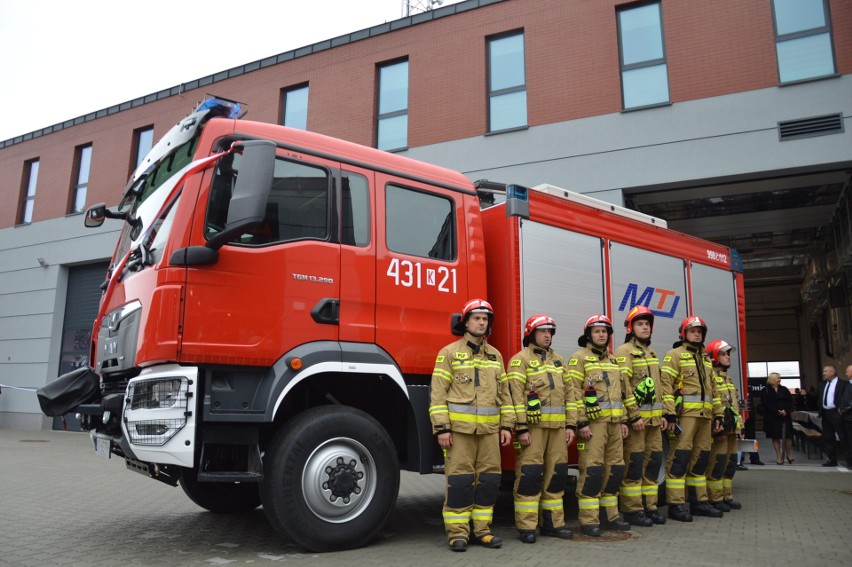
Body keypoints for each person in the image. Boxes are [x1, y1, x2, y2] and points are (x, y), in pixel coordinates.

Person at [429, 298, 514, 552]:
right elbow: (438, 394)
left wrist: (507, 426)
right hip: (459, 434)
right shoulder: (449, 353)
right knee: (460, 482)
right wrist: (442, 428)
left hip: (489, 433)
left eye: (485, 318)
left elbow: (505, 395)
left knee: (488, 481)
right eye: (476, 318)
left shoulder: (495, 355)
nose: (481, 322)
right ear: (465, 322)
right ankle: (458, 533)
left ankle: (483, 531)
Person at [507, 314, 576, 544]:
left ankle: (553, 524)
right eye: (542, 331)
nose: (547, 336)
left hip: (557, 430)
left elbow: (570, 395)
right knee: (530, 476)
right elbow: (516, 398)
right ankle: (527, 526)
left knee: (556, 476)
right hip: (533, 431)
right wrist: (521, 428)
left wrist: (570, 425)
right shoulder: (520, 360)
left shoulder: (559, 360)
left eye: (550, 332)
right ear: (531, 333)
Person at [567, 314, 630, 537]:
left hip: (614, 425)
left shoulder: (613, 361)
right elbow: (574, 393)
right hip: (593, 426)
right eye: (597, 331)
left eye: (604, 331)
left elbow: (621, 394)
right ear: (588, 335)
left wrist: (623, 420)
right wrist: (581, 422)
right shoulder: (579, 359)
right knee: (592, 471)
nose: (601, 334)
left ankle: (610, 517)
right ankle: (588, 520)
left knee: (614, 471)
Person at [661, 315, 724, 522]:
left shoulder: (705, 358)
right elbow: (666, 386)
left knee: (700, 460)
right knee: (679, 460)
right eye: (692, 331)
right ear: (684, 333)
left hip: (705, 417)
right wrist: (669, 413)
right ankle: (676, 505)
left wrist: (719, 414)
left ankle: (699, 502)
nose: (696, 334)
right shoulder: (674, 355)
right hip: (684, 417)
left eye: (699, 331)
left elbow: (713, 390)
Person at [615, 306, 666, 527]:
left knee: (653, 465)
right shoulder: (624, 352)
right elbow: (623, 386)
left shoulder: (651, 354)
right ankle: (632, 509)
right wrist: (632, 416)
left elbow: (659, 387)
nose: (645, 327)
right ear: (630, 327)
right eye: (640, 324)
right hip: (637, 422)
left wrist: (664, 414)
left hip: (655, 422)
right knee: (634, 467)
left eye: (647, 324)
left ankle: (650, 506)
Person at [705, 339, 743, 512]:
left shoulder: (727, 378)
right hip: (719, 430)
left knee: (730, 463)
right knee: (717, 463)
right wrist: (715, 425)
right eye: (723, 353)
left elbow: (734, 405)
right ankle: (715, 498)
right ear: (714, 356)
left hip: (731, 430)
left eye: (728, 353)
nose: (728, 357)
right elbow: (711, 403)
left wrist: (739, 427)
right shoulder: (710, 376)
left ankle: (727, 496)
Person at [762, 372, 794, 465]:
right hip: (773, 417)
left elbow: (790, 401)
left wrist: (786, 411)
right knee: (775, 436)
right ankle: (779, 456)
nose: (779, 379)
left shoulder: (784, 389)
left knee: (788, 436)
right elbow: (766, 403)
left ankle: (789, 454)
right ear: (772, 379)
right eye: (777, 378)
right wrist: (776, 411)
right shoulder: (766, 390)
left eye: (779, 378)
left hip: (785, 416)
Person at [817, 365, 844, 467]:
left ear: (832, 373)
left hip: (837, 413)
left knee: (843, 436)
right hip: (825, 413)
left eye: (826, 371)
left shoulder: (843, 384)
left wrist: (842, 409)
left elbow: (846, 397)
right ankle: (832, 460)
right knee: (828, 437)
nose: (823, 373)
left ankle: (849, 459)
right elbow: (817, 396)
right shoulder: (822, 384)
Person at [839, 366, 852, 468]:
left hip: (849, 416)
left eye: (847, 371)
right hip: (847, 417)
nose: (846, 373)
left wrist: (843, 410)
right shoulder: (848, 385)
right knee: (847, 439)